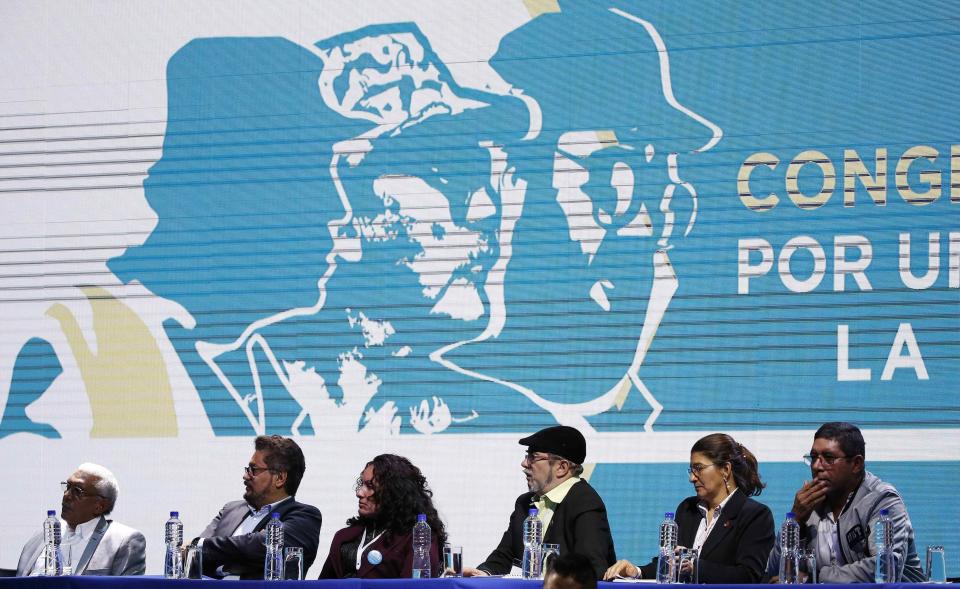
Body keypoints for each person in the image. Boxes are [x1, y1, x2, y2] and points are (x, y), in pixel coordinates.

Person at [765, 422, 924, 583]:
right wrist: (795, 520)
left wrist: (814, 578)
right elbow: (773, 574)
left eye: (828, 458)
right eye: (813, 457)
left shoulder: (882, 501)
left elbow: (884, 568)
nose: (816, 466)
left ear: (856, 464)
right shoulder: (809, 504)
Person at [604, 434, 774, 583]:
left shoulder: (755, 515)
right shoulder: (687, 509)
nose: (692, 478)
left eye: (699, 468)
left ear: (725, 469)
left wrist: (695, 567)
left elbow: (749, 575)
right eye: (691, 470)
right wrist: (636, 571)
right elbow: (670, 564)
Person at [465, 425, 616, 579]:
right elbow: (503, 557)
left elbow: (591, 569)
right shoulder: (525, 503)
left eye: (533, 457)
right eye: (526, 456)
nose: (524, 463)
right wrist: (482, 573)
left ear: (561, 467)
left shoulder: (585, 502)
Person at [197, 435, 322, 579]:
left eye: (253, 469)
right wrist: (234, 562)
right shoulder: (230, 510)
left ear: (280, 478)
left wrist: (211, 552)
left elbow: (263, 547)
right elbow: (192, 555)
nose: (245, 476)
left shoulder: (305, 517)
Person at [318, 454, 445, 578]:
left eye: (370, 486)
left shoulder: (416, 537)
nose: (359, 492)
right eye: (361, 484)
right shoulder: (344, 537)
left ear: (394, 492)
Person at [16, 463, 145, 576]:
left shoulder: (123, 541)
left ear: (99, 506)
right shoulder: (43, 534)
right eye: (67, 487)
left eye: (77, 491)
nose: (66, 496)